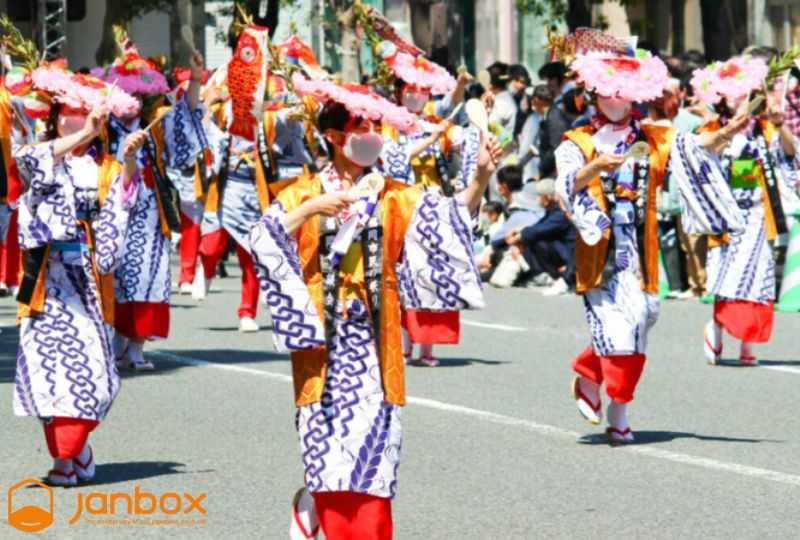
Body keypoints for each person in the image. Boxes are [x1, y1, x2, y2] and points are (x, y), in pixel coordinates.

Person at [248, 76, 501, 539]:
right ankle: (315, 498)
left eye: (374, 126)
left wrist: (481, 176)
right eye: (361, 126)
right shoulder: (302, 192)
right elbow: (262, 239)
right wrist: (311, 211)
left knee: (373, 460)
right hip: (320, 342)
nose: (371, 135)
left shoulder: (393, 194)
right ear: (334, 135)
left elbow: (449, 219)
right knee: (325, 453)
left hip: (374, 342)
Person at [550, 29, 746, 445]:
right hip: (597, 251)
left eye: (624, 93)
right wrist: (595, 169)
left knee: (640, 321)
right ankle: (618, 413)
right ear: (594, 93)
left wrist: (729, 133)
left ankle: (590, 374)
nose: (616, 100)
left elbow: (694, 149)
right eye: (608, 92)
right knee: (619, 333)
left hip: (639, 253)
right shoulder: (578, 141)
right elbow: (565, 185)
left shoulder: (652, 138)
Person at [9, 58, 147, 486]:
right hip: (46, 285)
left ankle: (74, 450)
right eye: (66, 113)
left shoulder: (103, 168)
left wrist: (127, 163)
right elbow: (26, 164)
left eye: (81, 114)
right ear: (55, 118)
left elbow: (124, 202)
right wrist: (84, 133)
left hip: (87, 282)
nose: (73, 119)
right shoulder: (41, 154)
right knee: (48, 374)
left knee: (90, 375)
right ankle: (64, 458)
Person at [93, 30, 206, 369]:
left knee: (148, 275)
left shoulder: (154, 125)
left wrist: (197, 78)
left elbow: (186, 116)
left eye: (140, 96)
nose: (134, 101)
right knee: (111, 273)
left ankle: (137, 345)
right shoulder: (99, 125)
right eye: (127, 93)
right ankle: (115, 338)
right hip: (109, 206)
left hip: (149, 210)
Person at [197, 27, 316, 333]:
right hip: (227, 186)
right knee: (211, 242)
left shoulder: (271, 114)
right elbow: (205, 134)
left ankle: (246, 311)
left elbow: (293, 121)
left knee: (252, 249)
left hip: (259, 187)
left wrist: (296, 105)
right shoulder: (224, 109)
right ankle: (205, 268)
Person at [692, 55, 798, 366]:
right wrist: (728, 134)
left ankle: (748, 344)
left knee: (759, 279)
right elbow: (699, 159)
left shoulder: (764, 128)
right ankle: (719, 329)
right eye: (735, 94)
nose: (742, 100)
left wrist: (781, 127)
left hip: (758, 214)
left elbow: (789, 155)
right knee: (731, 279)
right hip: (727, 218)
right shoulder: (712, 127)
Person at [505, 178, 576, 295]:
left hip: (567, 254)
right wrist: (519, 232)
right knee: (529, 237)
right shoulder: (553, 210)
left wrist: (519, 237)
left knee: (534, 240)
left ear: (547, 197)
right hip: (560, 250)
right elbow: (540, 225)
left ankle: (544, 275)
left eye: (539, 196)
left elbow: (540, 230)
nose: (537, 199)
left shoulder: (561, 212)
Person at [531, 84, 571, 180]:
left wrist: (542, 170)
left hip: (554, 172)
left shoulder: (555, 119)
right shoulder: (549, 115)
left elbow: (555, 148)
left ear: (536, 100)